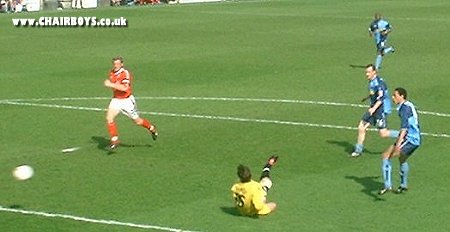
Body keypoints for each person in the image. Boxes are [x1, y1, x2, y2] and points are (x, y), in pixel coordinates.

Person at [104, 56, 158, 150]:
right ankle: (115, 139)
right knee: (109, 118)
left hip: (127, 101)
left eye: (118, 64)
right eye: (114, 64)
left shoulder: (125, 73)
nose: (116, 66)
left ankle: (151, 128)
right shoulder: (112, 73)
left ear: (122, 64)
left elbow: (125, 88)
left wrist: (110, 84)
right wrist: (113, 86)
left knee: (137, 121)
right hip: (116, 100)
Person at [379, 87, 421, 195]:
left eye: (395, 95)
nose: (393, 98)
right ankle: (403, 185)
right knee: (402, 159)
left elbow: (404, 128)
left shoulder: (404, 109)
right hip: (415, 139)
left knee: (386, 156)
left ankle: (387, 185)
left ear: (402, 96)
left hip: (409, 138)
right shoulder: (408, 105)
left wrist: (398, 144)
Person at [351, 64, 399, 157]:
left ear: (374, 72)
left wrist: (373, 108)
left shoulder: (379, 83)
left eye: (369, 72)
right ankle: (358, 150)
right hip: (373, 108)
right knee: (361, 127)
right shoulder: (371, 81)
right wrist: (368, 98)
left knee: (383, 133)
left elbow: (381, 98)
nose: (367, 74)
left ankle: (403, 135)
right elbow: (375, 93)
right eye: (366, 72)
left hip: (380, 110)